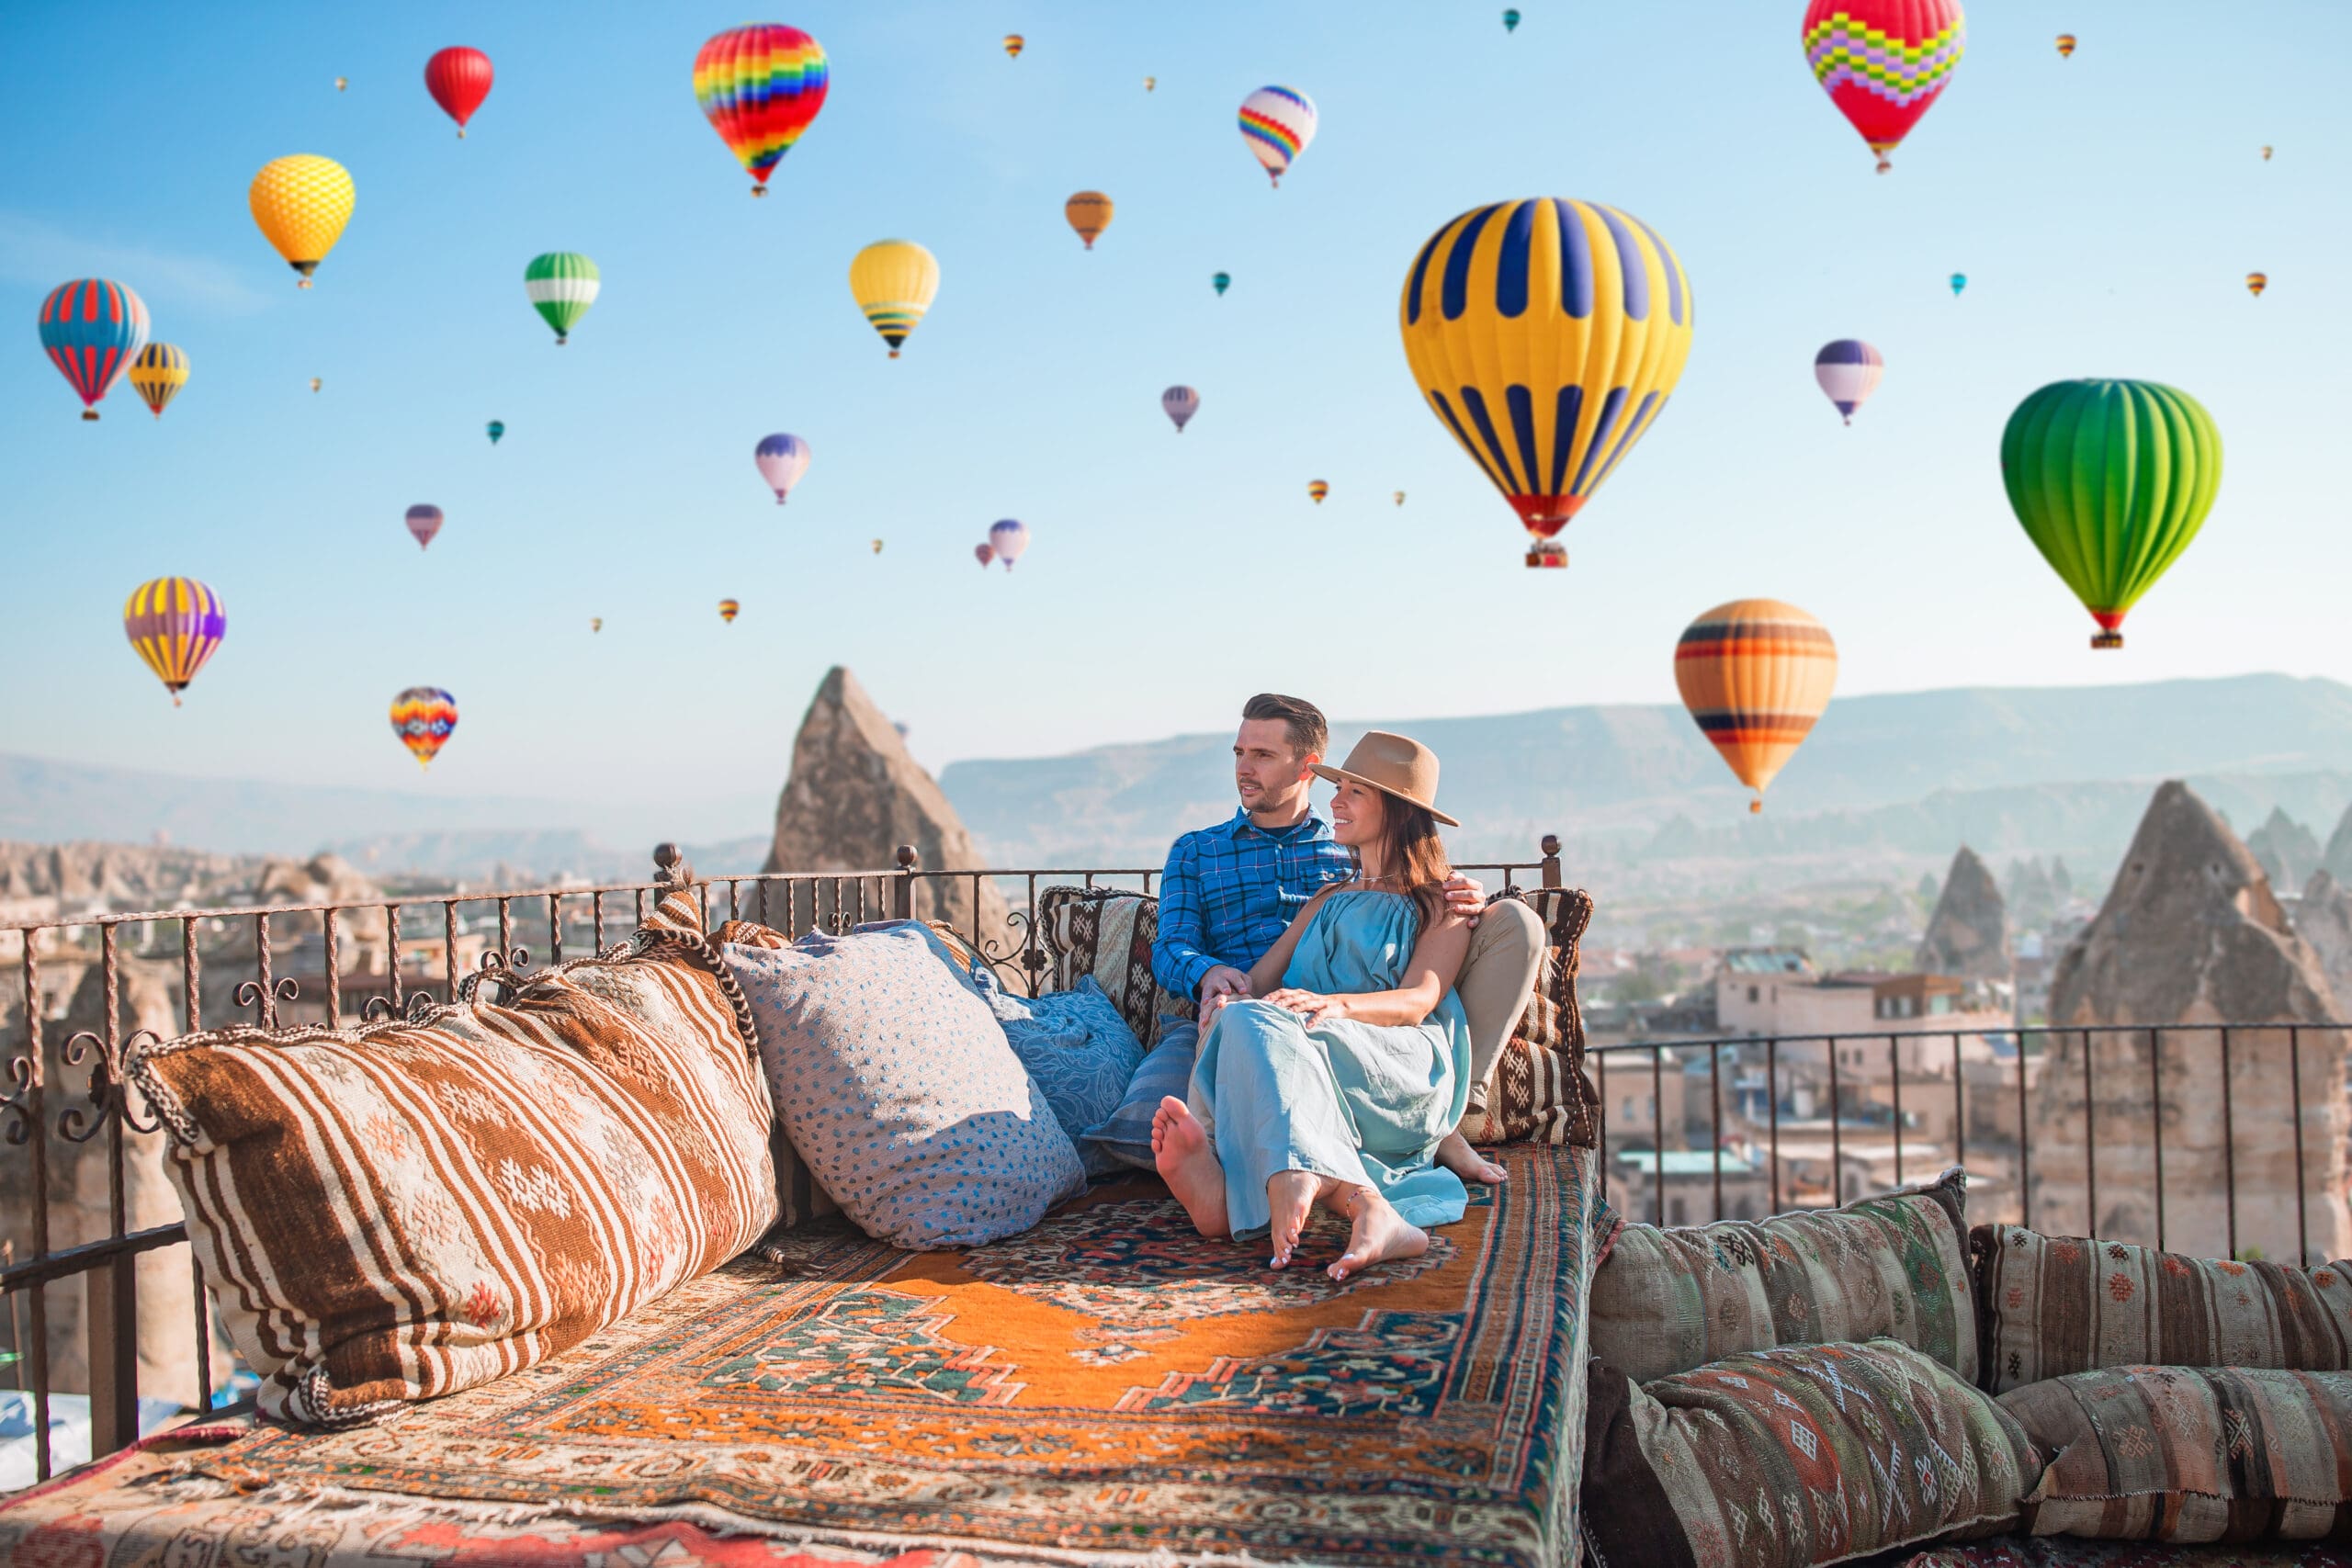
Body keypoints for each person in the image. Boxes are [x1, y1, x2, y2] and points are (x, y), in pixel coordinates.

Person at [1080, 694, 1537, 1174]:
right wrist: (1214, 976)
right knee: (1144, 1132)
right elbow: (1171, 947)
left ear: (1306, 766)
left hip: (1351, 1016)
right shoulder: (1198, 851)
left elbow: (1408, 898)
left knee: (1515, 921)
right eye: (1239, 754)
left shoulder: (1348, 850)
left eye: (1262, 755)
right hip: (1239, 1003)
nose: (1243, 769)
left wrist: (1459, 895)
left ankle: (1445, 1119)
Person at [1149, 730, 1490, 1279]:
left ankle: (1248, 1186)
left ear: (1397, 810)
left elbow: (1419, 1001)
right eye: (1340, 788)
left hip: (1393, 1062)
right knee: (1240, 1015)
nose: (1335, 801)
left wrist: (1334, 1005)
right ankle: (1345, 1203)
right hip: (1308, 1040)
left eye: (1354, 792)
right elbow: (1258, 983)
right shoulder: (1328, 897)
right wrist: (1221, 994)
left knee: (1274, 1026)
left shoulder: (1438, 900)